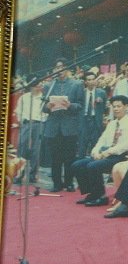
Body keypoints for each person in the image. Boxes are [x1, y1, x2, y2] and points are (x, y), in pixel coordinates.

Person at [72, 95, 128, 206]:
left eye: (119, 106)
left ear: (126, 106)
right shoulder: (112, 123)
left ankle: (101, 196)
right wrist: (95, 152)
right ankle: (93, 193)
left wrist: (110, 151)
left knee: (93, 166)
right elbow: (102, 140)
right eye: (114, 107)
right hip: (106, 154)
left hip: (122, 156)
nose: (116, 109)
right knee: (77, 165)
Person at [42, 58, 85, 192]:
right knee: (55, 157)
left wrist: (70, 105)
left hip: (69, 126)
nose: (59, 70)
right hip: (53, 126)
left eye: (62, 67)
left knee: (69, 157)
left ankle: (69, 182)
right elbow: (43, 106)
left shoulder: (76, 85)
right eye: (57, 68)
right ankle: (57, 183)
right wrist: (48, 107)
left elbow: (81, 105)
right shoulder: (48, 86)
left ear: (67, 69)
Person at [15, 76, 46, 184]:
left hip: (39, 124)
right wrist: (23, 121)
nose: (38, 86)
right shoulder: (24, 97)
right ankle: (19, 173)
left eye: (39, 84)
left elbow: (46, 112)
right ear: (31, 86)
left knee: (36, 150)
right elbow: (19, 111)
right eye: (35, 84)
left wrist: (39, 120)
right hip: (26, 124)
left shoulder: (44, 98)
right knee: (21, 147)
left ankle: (32, 174)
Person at [77, 71, 108, 159]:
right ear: (85, 82)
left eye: (93, 79)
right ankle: (81, 164)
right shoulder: (81, 92)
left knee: (96, 146)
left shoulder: (101, 93)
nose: (91, 82)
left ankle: (94, 165)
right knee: (82, 146)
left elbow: (104, 107)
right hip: (84, 120)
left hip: (95, 121)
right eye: (89, 80)